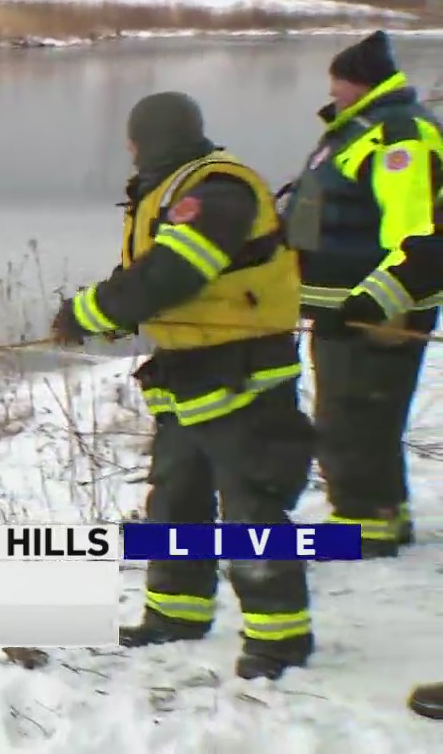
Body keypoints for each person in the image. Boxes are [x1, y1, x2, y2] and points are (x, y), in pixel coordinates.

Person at [51, 91, 315, 681]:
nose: (129, 151)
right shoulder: (171, 189)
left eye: (133, 140)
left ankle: (279, 640)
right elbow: (149, 274)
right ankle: (176, 614)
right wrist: (110, 313)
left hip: (244, 374)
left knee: (251, 507)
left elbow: (174, 272)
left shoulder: (218, 190)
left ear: (150, 139)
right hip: (189, 372)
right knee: (175, 499)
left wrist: (90, 311)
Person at [277, 30, 443, 557]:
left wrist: (376, 300)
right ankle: (382, 514)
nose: (332, 92)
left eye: (339, 83)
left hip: (377, 309)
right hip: (345, 307)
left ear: (362, 82)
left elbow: (413, 233)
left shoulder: (399, 136)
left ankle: (365, 528)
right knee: (355, 415)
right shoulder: (359, 128)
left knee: (357, 418)